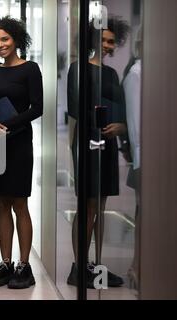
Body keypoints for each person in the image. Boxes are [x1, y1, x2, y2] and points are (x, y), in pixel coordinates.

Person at [67, 17, 130, 288]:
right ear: (92, 40)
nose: (107, 45)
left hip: (108, 144)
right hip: (88, 142)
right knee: (87, 206)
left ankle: (96, 264)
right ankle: (80, 266)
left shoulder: (113, 74)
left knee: (101, 206)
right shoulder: (77, 69)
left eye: (111, 42)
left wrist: (121, 126)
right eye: (103, 40)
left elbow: (122, 108)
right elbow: (74, 107)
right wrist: (97, 121)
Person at [0, 16, 43, 289]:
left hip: (18, 143)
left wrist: (7, 125)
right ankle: (5, 263)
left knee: (20, 203)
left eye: (5, 39)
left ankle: (24, 265)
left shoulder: (30, 69)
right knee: (1, 203)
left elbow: (37, 108)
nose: (0, 44)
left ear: (16, 39)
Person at [122, 25, 142, 291]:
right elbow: (135, 126)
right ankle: (137, 265)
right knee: (144, 212)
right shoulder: (136, 74)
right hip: (145, 159)